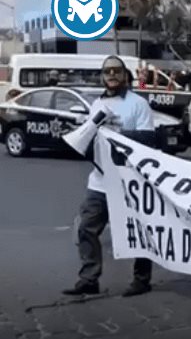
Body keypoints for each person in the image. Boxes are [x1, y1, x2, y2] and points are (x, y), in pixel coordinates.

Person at [63, 56, 157, 298]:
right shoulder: (96, 104)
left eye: (117, 71)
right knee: (86, 228)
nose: (112, 75)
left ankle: (141, 279)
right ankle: (89, 279)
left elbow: (148, 142)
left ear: (126, 75)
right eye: (107, 71)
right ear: (102, 76)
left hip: (129, 182)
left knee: (137, 232)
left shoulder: (138, 104)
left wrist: (120, 133)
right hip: (99, 182)